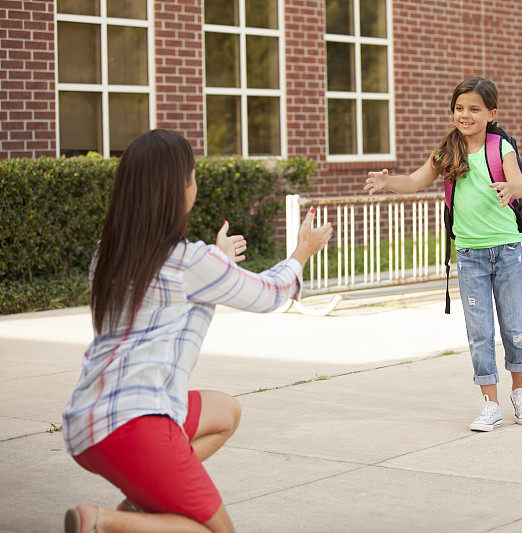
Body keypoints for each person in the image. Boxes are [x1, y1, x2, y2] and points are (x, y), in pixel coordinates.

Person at [62, 129, 332, 532]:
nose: (195, 184)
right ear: (178, 189)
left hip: (86, 420)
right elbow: (269, 294)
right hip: (134, 424)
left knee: (225, 412)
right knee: (215, 531)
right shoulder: (189, 261)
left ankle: (139, 503)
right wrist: (301, 253)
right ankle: (102, 523)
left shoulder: (110, 252)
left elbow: (176, 299)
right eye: (191, 176)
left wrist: (219, 261)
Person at [363, 77, 522, 432]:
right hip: (470, 254)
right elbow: (413, 181)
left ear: (491, 114)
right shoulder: (446, 151)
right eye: (459, 108)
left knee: (514, 328)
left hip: (506, 251)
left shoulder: (500, 146)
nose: (465, 115)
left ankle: (520, 393)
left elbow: (521, 183)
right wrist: (386, 182)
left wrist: (510, 187)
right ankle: (490, 403)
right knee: (480, 332)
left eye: (474, 109)